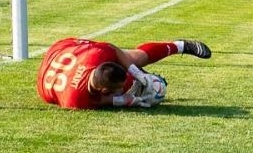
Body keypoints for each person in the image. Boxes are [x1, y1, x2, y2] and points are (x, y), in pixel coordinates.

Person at [37, 37, 211, 110]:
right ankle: (140, 80)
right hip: (52, 76)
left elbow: (115, 50)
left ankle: (180, 45)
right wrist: (126, 100)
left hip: (63, 49)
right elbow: (104, 100)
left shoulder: (97, 54)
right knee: (128, 86)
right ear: (104, 89)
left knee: (132, 58)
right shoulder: (76, 99)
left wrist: (135, 71)